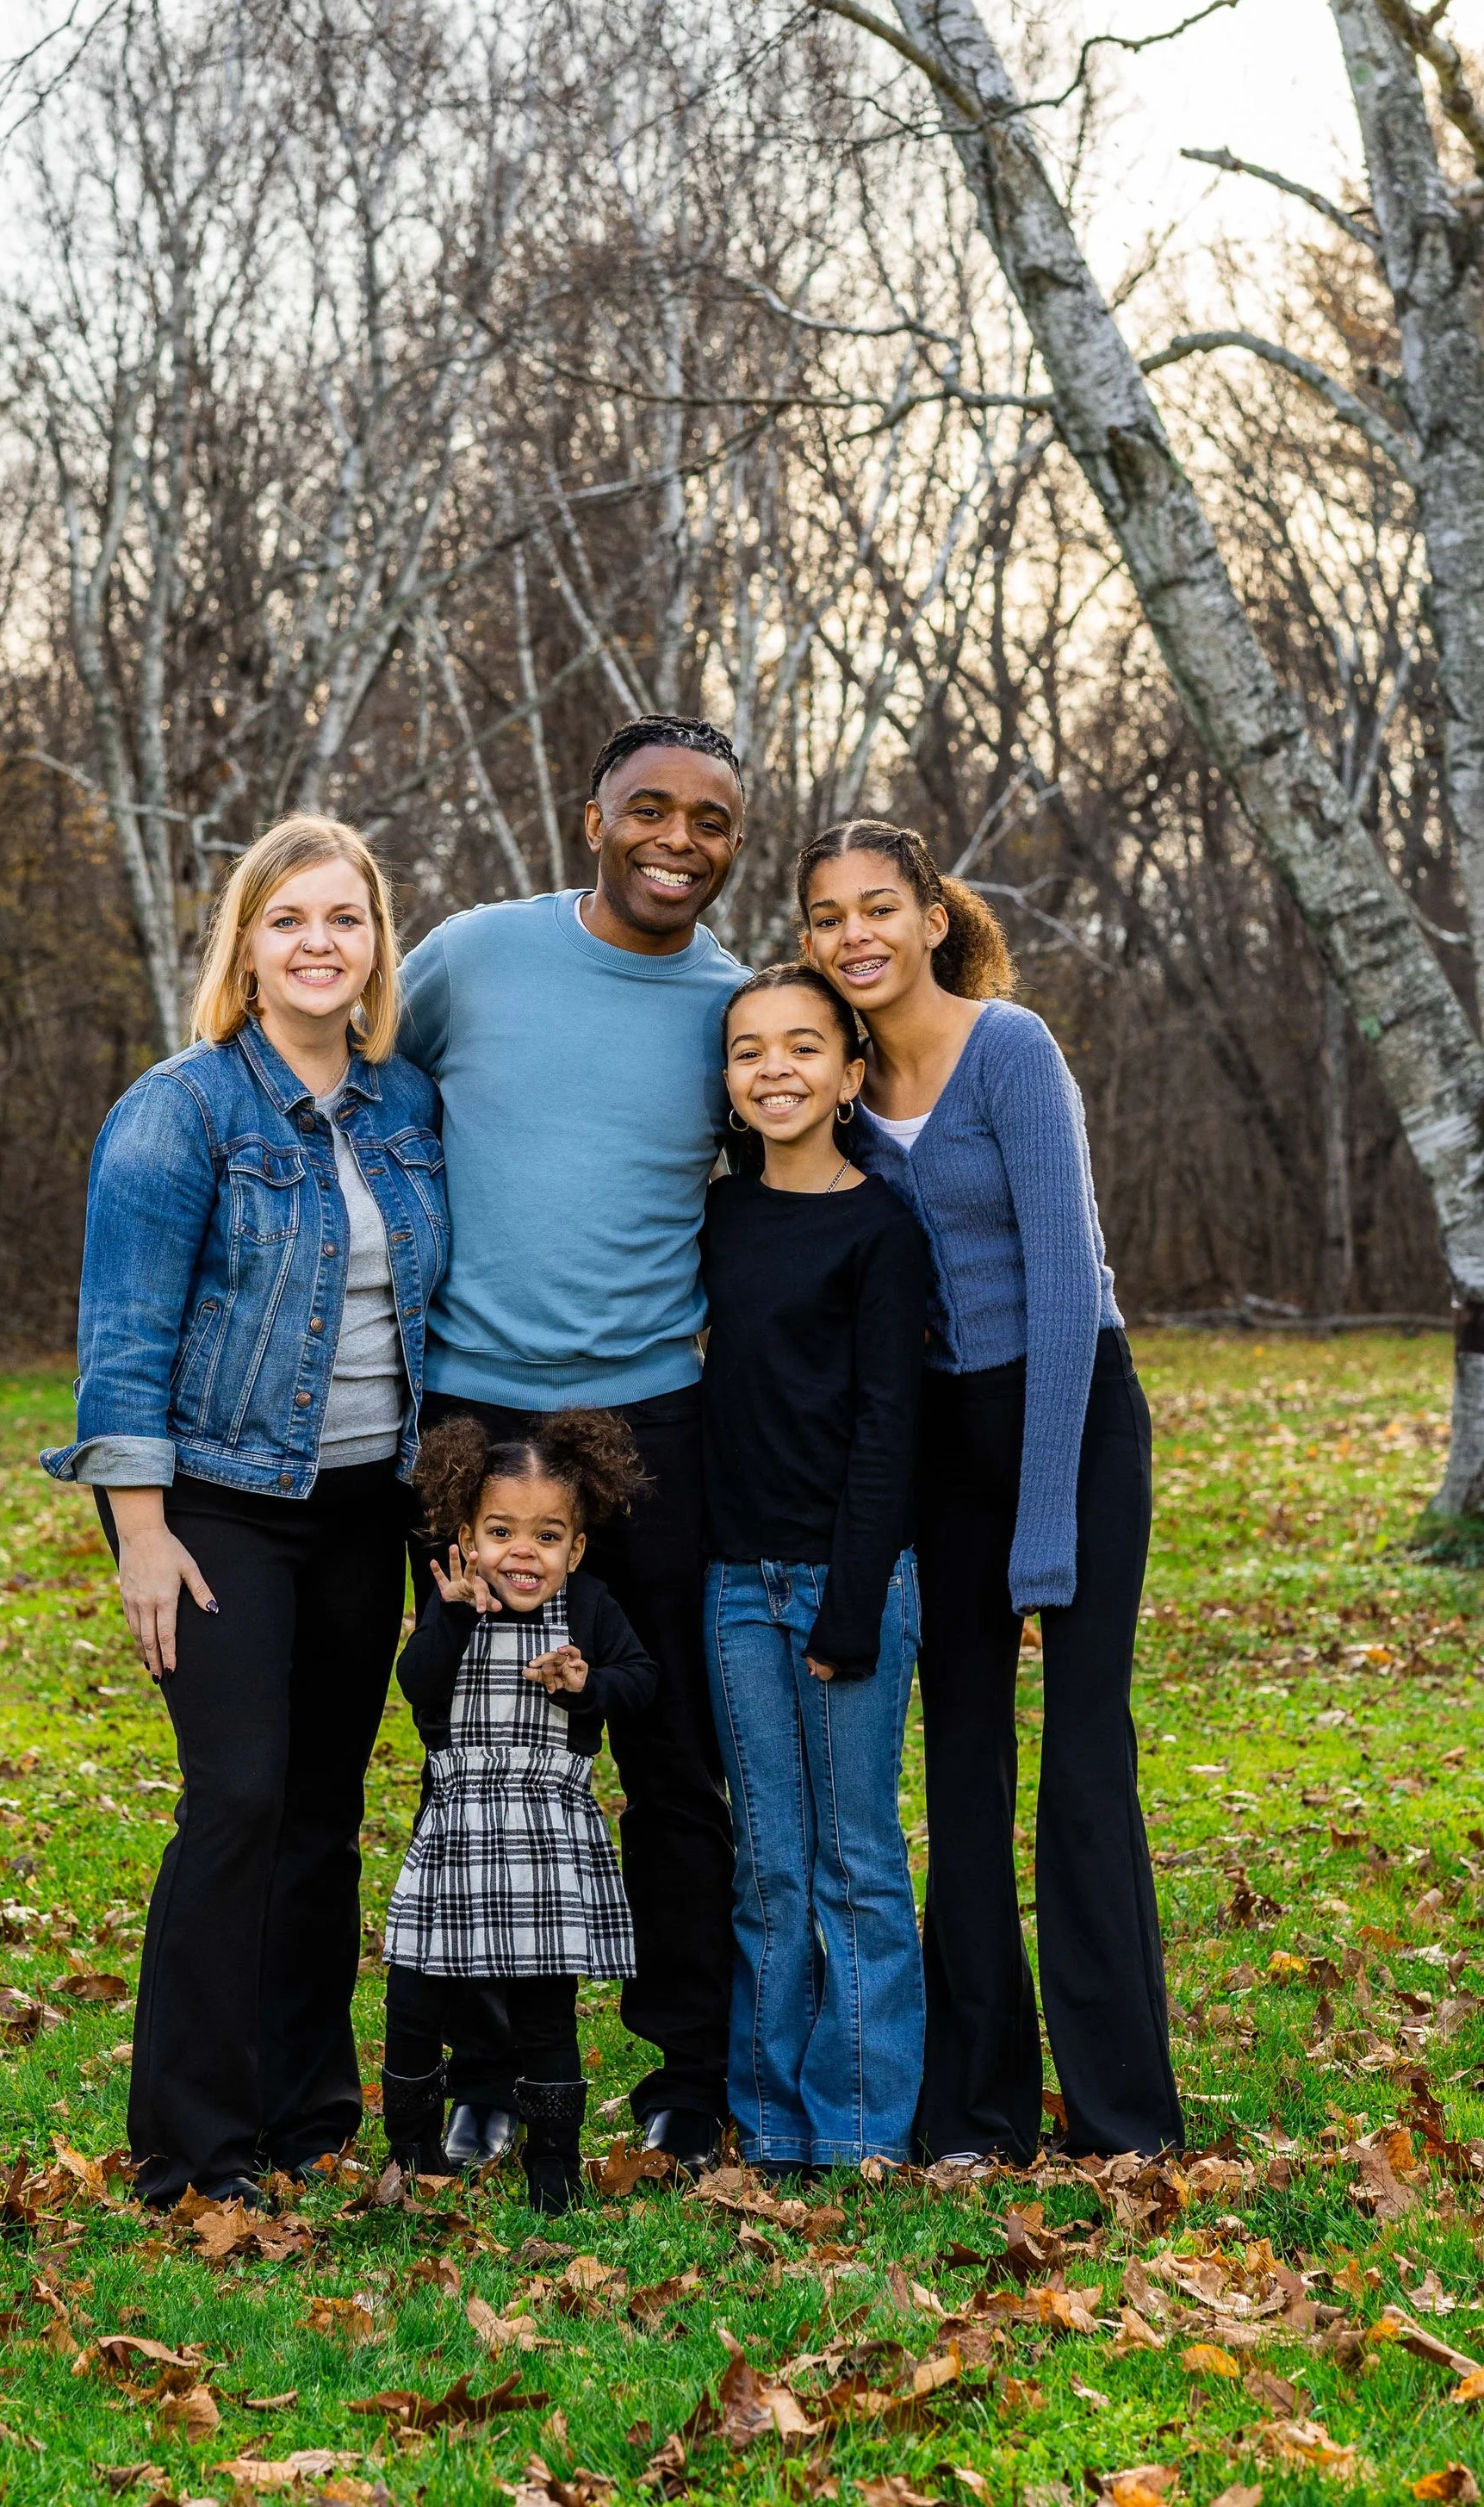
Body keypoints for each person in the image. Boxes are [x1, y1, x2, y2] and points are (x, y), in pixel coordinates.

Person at [40, 814, 448, 2207]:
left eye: (343, 918)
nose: (319, 943)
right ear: (247, 947)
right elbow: (125, 1336)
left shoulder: (405, 1108)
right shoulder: (182, 1107)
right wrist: (138, 1530)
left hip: (361, 1506)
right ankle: (190, 2148)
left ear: (375, 942)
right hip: (216, 1502)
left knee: (325, 1811)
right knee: (238, 1800)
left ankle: (301, 2113)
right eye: (288, 920)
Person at [798, 817, 1183, 2166]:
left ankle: (1125, 2114)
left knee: (1080, 1764)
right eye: (830, 915)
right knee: (960, 1768)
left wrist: (1043, 1535)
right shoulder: (834, 1088)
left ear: (933, 917)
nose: (856, 933)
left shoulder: (1011, 1051)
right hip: (940, 1449)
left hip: (1070, 1416)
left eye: (880, 907)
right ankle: (978, 2109)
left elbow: (1071, 1284)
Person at [396, 712, 745, 2173]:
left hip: (649, 1420)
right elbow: (367, 1089)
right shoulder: (471, 956)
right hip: (470, 1417)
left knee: (669, 1754)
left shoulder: (735, 1004)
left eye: (710, 820)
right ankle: (487, 2070)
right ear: (588, 814)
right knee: (478, 1752)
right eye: (648, 808)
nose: (677, 840)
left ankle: (686, 2069)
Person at [700, 963, 930, 2173]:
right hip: (736, 1588)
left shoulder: (880, 1230)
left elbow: (893, 1427)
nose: (774, 1068)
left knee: (858, 1867)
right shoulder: (723, 1218)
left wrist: (850, 1599)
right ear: (729, 1084)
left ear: (850, 1076)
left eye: (802, 1047)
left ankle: (859, 2126)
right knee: (769, 1871)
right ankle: (773, 2119)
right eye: (748, 1051)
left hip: (851, 1588)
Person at [382, 1411, 656, 2209]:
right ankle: (415, 2153)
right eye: (501, 1531)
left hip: (547, 1840)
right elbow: (418, 1685)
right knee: (415, 1994)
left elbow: (643, 1682)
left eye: (547, 1535)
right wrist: (457, 1618)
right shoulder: (455, 1607)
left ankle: (554, 2168)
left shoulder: (591, 1611)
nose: (522, 1553)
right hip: (457, 1831)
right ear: (465, 1536)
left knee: (545, 2011)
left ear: (575, 1548)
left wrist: (588, 1685)